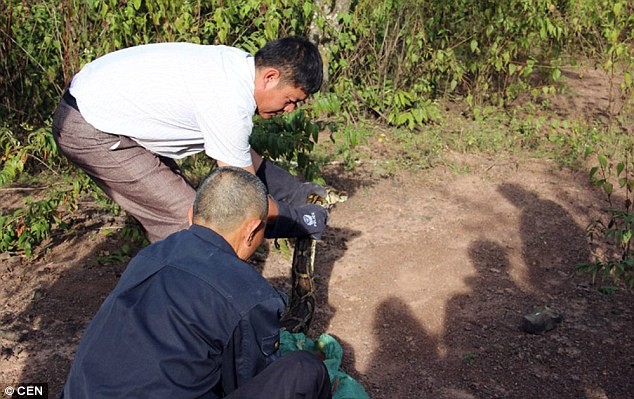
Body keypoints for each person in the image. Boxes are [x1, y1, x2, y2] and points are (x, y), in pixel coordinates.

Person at [60, 167, 332, 398]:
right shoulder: (249, 294)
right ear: (251, 231)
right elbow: (245, 379)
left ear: (191, 216)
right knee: (305, 369)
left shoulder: (149, 257)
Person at [52, 36, 328, 243]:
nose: (289, 109)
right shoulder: (229, 99)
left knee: (187, 212)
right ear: (270, 77)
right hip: (91, 127)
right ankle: (177, 311)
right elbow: (244, 196)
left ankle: (177, 292)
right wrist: (298, 221)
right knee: (188, 223)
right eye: (291, 100)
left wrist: (293, 191)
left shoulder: (237, 66)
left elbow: (236, 152)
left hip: (103, 112)